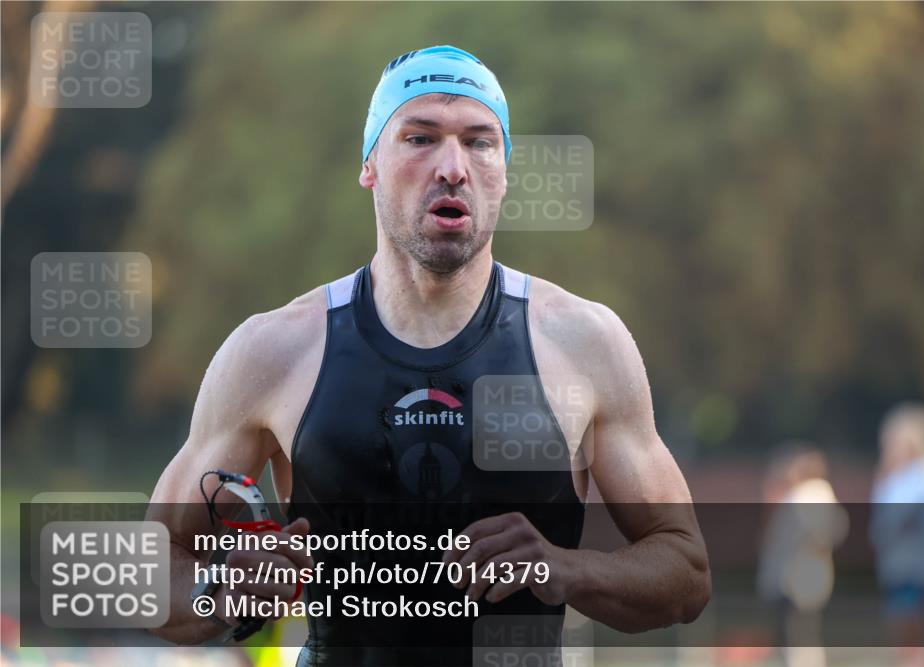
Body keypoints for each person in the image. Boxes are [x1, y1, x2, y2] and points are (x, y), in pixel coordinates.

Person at [148, 45, 710, 666]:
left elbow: (684, 570)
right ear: (370, 165)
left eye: (480, 142)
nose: (453, 167)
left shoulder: (582, 341)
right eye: (420, 138)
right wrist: (221, 590)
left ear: (504, 170)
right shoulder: (275, 349)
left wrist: (564, 569)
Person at [870, 402, 924, 667]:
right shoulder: (893, 474)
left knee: (916, 628)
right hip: (897, 563)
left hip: (918, 564)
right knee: (901, 628)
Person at [758, 442, 848, 667]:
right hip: (795, 580)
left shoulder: (811, 492)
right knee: (795, 637)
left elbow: (824, 532)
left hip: (800, 580)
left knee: (799, 638)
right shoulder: (803, 494)